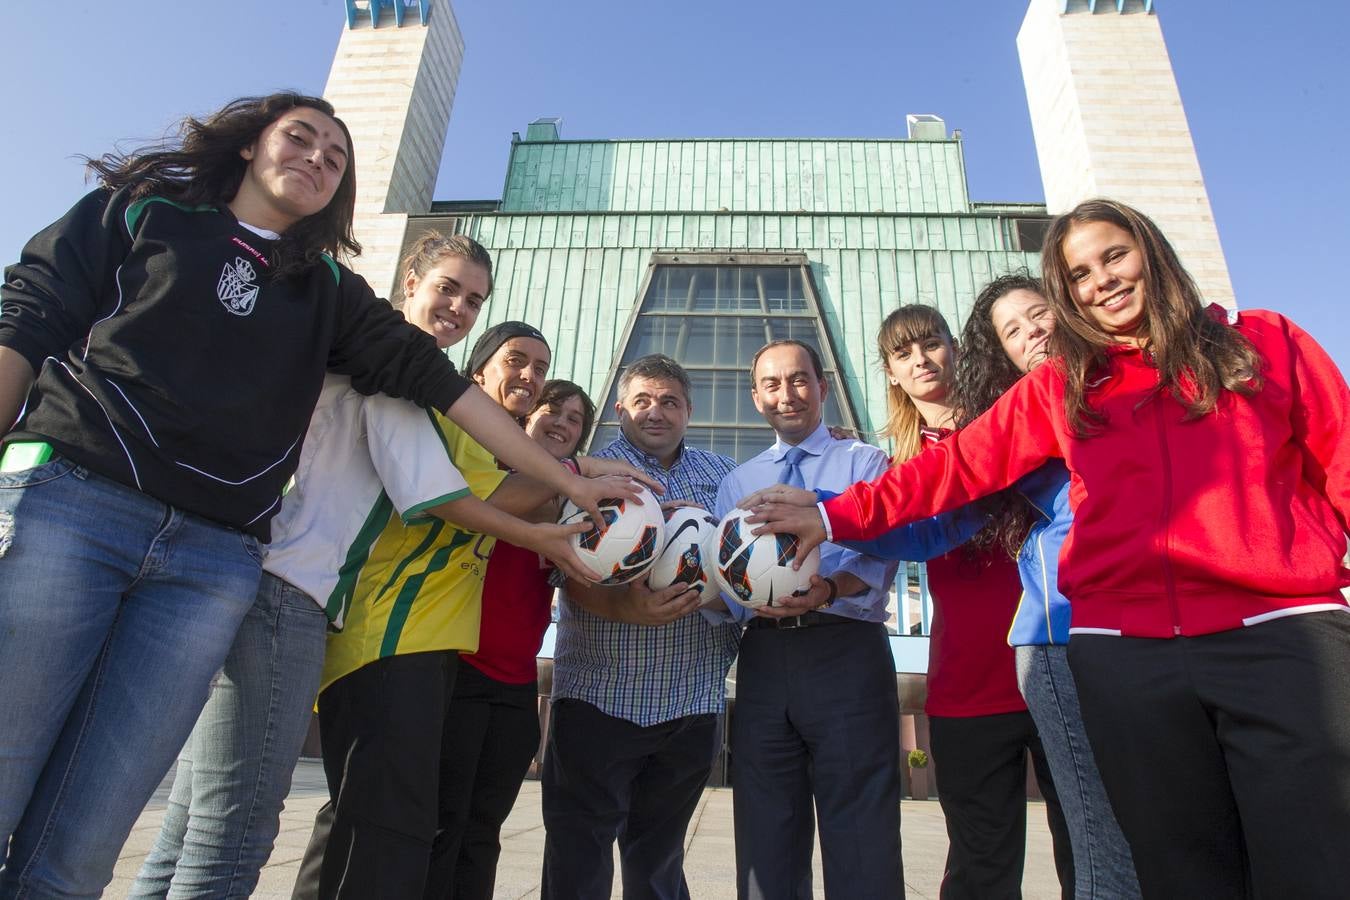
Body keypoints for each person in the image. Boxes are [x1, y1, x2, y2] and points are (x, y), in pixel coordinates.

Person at [0, 92, 629, 896]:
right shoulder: (149, 216)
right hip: (128, 522)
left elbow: (442, 403)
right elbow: (31, 314)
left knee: (101, 833)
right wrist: (558, 507)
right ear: (249, 146)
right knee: (168, 818)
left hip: (215, 559)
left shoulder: (335, 300)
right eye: (301, 138)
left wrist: (567, 480)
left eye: (336, 157)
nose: (318, 159)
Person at [744, 198, 1350, 899]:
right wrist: (833, 512)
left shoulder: (1264, 342)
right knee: (1175, 865)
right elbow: (950, 474)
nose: (1103, 281)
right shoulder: (1062, 389)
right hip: (1126, 650)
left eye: (1114, 256)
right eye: (1081, 273)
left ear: (1151, 251)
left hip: (1283, 633)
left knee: (1315, 857)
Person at [128, 239, 613, 897]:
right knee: (245, 834)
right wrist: (566, 501)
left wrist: (565, 497)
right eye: (447, 289)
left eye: (473, 299)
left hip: (282, 587)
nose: (458, 307)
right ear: (409, 282)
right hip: (323, 604)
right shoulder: (390, 370)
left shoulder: (394, 373)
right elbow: (449, 499)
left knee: (201, 822)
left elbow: (447, 492)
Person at [289, 321, 646, 898]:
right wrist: (579, 478)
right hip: (400, 639)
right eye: (515, 362)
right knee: (379, 820)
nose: (529, 377)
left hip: (466, 662)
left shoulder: (533, 473)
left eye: (540, 367)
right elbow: (489, 499)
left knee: (437, 829)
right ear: (478, 372)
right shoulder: (450, 426)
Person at [858, 306, 1072, 899]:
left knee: (1090, 849)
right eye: (904, 354)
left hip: (1059, 664)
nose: (921, 359)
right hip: (968, 685)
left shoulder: (1021, 426)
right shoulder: (900, 469)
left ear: (957, 349)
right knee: (980, 865)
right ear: (892, 375)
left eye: (931, 343)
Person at [955, 274, 1138, 899]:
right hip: (1061, 640)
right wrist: (827, 513)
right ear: (1002, 356)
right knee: (1101, 832)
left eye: (1038, 315)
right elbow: (933, 511)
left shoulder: (1135, 390)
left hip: (1154, 632)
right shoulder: (1014, 426)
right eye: (1013, 331)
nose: (1033, 332)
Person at [541, 354, 740, 900]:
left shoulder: (723, 478)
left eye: (670, 401)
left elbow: (743, 566)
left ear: (689, 411)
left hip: (692, 701)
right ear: (622, 408)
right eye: (643, 401)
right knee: (577, 859)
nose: (657, 412)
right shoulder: (587, 472)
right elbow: (564, 569)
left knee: (658, 864)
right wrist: (628, 608)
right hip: (600, 697)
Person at [711, 339, 902, 900]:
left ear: (823, 387)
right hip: (765, 657)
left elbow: (880, 558)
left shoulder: (864, 463)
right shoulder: (737, 484)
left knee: (861, 829)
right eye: (772, 384)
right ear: (755, 397)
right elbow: (726, 582)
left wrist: (824, 591)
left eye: (799, 380)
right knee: (766, 832)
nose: (787, 394)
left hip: (847, 649)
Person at [426, 379, 597, 899]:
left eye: (575, 419)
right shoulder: (490, 478)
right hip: (458, 673)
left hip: (516, 685)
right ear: (525, 421)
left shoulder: (571, 508)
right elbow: (503, 503)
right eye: (553, 409)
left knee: (483, 833)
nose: (562, 422)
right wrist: (574, 475)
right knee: (442, 825)